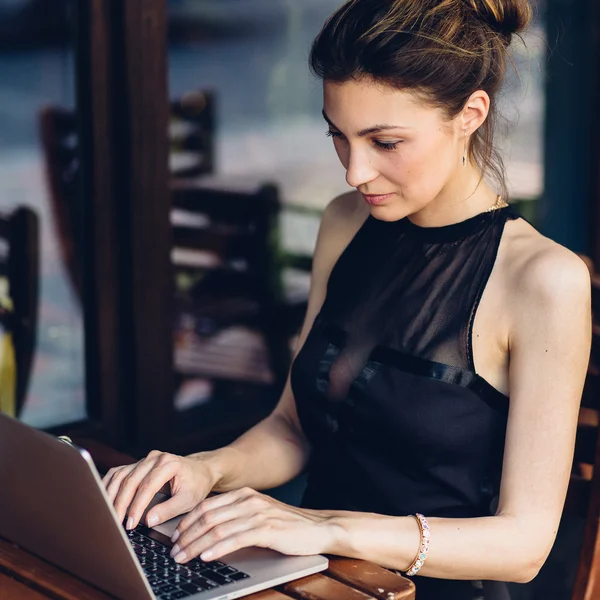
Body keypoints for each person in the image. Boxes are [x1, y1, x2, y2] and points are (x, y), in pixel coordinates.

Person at [102, 1, 592, 598]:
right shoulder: (345, 223)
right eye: (339, 135)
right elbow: (293, 425)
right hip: (315, 578)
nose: (355, 172)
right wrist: (208, 468)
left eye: (385, 142)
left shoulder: (543, 279)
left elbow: (522, 548)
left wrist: (324, 527)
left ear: (470, 114)